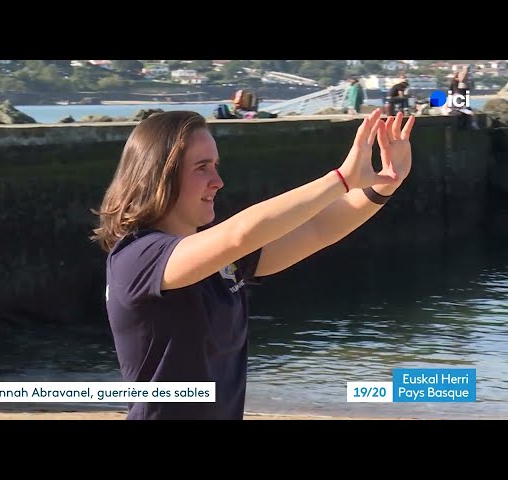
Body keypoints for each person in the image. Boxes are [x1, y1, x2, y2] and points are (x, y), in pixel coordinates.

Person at [91, 109, 415, 420]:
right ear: (159, 175)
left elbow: (319, 228)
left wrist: (384, 185)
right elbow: (240, 234)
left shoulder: (219, 260)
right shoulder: (137, 257)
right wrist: (342, 179)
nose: (217, 181)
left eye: (216, 166)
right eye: (201, 167)